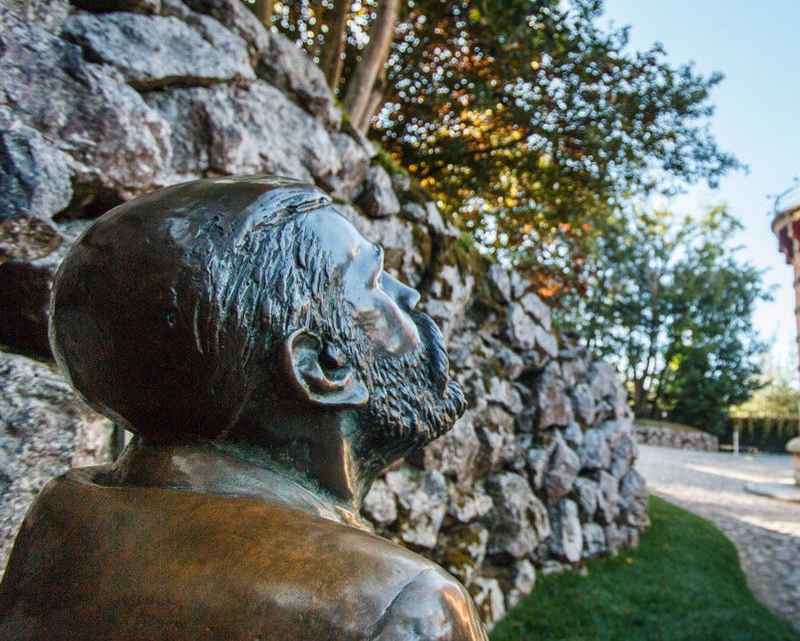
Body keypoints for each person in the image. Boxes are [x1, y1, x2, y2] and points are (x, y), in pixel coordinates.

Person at [0, 176, 488, 639]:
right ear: (322, 366)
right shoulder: (401, 605)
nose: (410, 294)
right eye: (375, 282)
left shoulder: (67, 515)